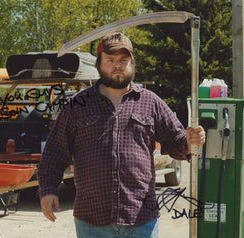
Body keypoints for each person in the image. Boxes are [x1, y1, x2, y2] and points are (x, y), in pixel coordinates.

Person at [37, 32, 205, 238]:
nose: (118, 65)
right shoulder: (76, 105)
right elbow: (54, 153)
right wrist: (48, 189)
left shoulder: (151, 102)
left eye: (123, 60)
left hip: (141, 219)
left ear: (132, 63)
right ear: (99, 64)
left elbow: (176, 141)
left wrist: (189, 143)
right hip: (92, 220)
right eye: (110, 60)